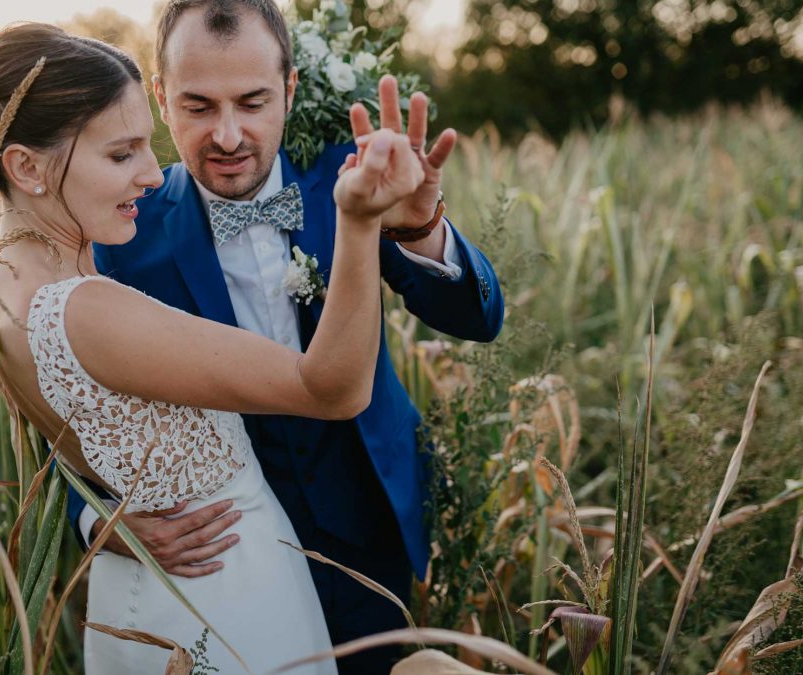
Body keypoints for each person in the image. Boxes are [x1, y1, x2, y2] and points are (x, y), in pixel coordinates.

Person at [0, 21, 425, 675]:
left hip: (150, 599)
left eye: (146, 146)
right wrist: (359, 222)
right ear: (25, 165)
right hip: (224, 599)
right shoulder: (94, 301)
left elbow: (76, 423)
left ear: (288, 89)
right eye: (121, 154)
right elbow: (329, 386)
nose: (150, 172)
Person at [68, 0, 505, 672]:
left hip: (365, 518)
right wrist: (100, 519)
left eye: (252, 101)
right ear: (160, 99)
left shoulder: (352, 177)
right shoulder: (126, 230)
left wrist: (420, 227)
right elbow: (74, 397)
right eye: (198, 106)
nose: (228, 134)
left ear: (290, 89)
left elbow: (478, 320)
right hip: (225, 549)